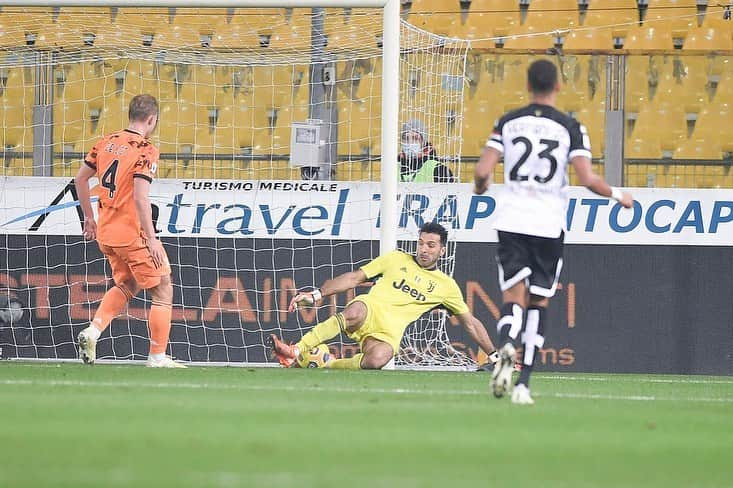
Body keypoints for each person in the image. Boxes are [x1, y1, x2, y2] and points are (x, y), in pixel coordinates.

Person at [474, 59, 633, 405]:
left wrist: (480, 187)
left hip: (512, 220)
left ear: (528, 85)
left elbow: (483, 169)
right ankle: (523, 385)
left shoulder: (508, 121)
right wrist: (619, 195)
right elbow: (587, 179)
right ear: (558, 86)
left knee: (512, 299)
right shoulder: (570, 126)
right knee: (539, 301)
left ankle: (505, 344)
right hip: (547, 223)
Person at [269, 222, 498, 370]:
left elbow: (471, 323)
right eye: (421, 244)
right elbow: (354, 278)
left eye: (431, 245)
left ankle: (328, 365)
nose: (424, 249)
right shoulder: (395, 258)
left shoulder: (446, 286)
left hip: (389, 331)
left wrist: (494, 356)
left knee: (378, 359)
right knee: (356, 310)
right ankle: (295, 350)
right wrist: (317, 295)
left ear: (442, 250)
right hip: (370, 310)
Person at [74, 94, 185, 368]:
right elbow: (140, 198)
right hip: (131, 234)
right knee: (163, 288)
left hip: (107, 233)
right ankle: (157, 357)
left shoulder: (106, 142)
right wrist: (152, 239)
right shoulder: (146, 150)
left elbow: (80, 180)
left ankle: (93, 330)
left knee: (127, 284)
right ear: (151, 119)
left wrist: (89, 219)